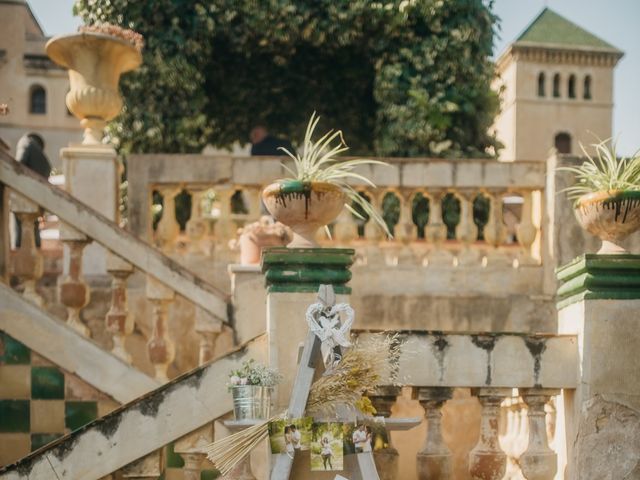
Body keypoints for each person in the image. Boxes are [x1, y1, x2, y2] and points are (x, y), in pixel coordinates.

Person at [14, 133, 51, 248]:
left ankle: (19, 248)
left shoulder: (25, 142)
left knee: (20, 226)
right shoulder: (42, 157)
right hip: (37, 194)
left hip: (25, 192)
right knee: (34, 226)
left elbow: (19, 163)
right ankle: (36, 247)